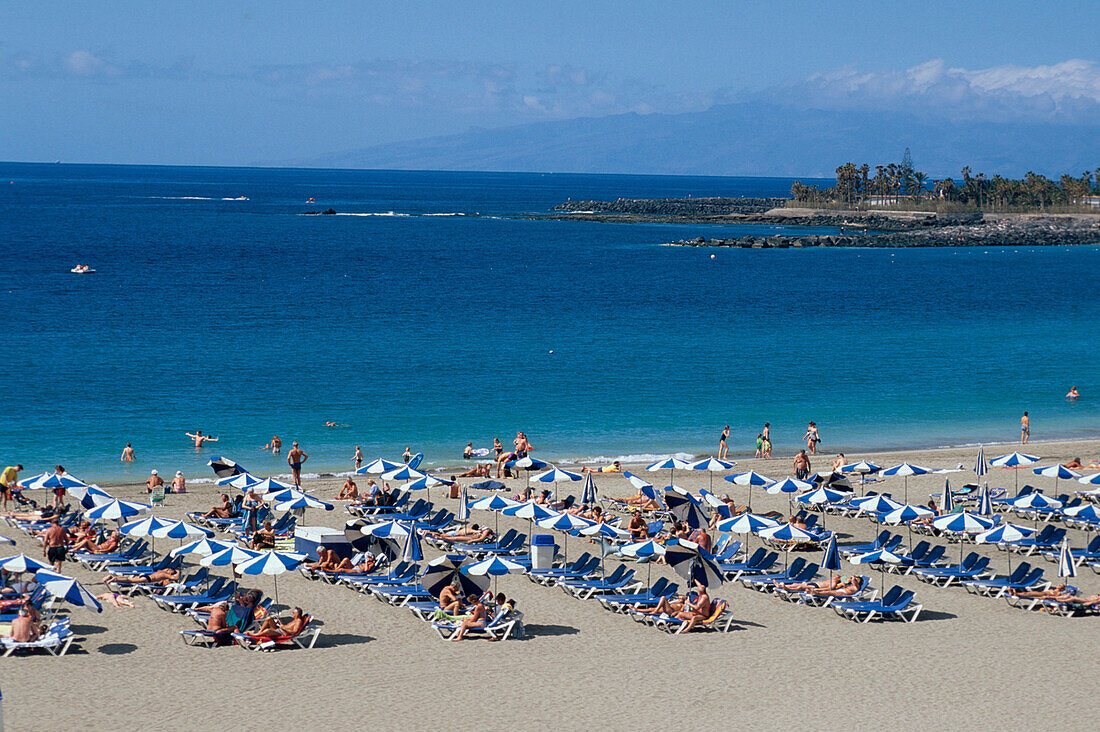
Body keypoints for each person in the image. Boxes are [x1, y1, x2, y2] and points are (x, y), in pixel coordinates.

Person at [103, 568, 179, 586]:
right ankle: (115, 579)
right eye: (171, 572)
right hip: (147, 579)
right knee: (130, 580)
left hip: (145, 575)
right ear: (168, 570)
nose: (170, 574)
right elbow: (175, 578)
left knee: (130, 579)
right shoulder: (165, 574)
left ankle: (113, 577)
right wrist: (178, 572)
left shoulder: (160, 571)